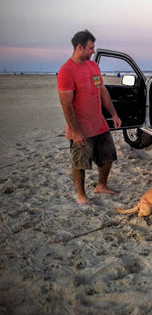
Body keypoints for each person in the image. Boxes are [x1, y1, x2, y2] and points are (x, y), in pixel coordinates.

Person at [57, 30, 122, 204]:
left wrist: (113, 114)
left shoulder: (93, 67)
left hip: (99, 124)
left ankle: (101, 185)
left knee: (108, 157)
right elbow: (66, 104)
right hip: (81, 129)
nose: (93, 51)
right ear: (80, 47)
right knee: (80, 163)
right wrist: (76, 132)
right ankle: (81, 196)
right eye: (91, 48)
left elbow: (102, 91)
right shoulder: (66, 71)